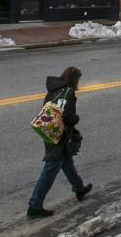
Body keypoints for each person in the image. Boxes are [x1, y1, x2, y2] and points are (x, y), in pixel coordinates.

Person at [27, 66, 92, 218]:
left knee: (67, 162)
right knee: (51, 168)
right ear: (74, 80)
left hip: (48, 130)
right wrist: (76, 119)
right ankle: (34, 206)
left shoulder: (53, 89)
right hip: (59, 135)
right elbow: (68, 116)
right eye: (78, 80)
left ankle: (79, 188)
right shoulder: (68, 92)